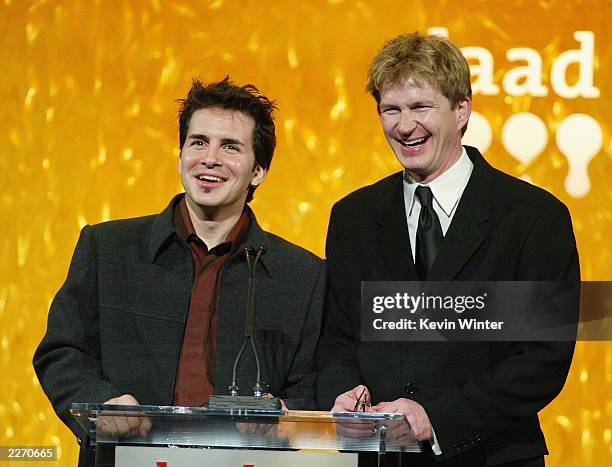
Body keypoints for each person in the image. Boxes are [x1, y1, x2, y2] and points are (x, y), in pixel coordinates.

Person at [316, 33, 579, 467]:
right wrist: (342, 392)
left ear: (462, 110)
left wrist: (436, 419)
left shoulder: (533, 217)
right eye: (391, 110)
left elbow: (542, 359)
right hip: (380, 459)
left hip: (493, 457)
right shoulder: (353, 216)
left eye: (421, 107)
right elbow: (339, 340)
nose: (404, 126)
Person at [34, 77, 325, 466]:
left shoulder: (302, 275)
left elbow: (312, 385)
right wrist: (103, 402)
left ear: (258, 171)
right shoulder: (108, 248)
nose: (209, 158)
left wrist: (282, 415)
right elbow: (62, 351)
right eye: (198, 142)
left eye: (230, 147)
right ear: (181, 153)